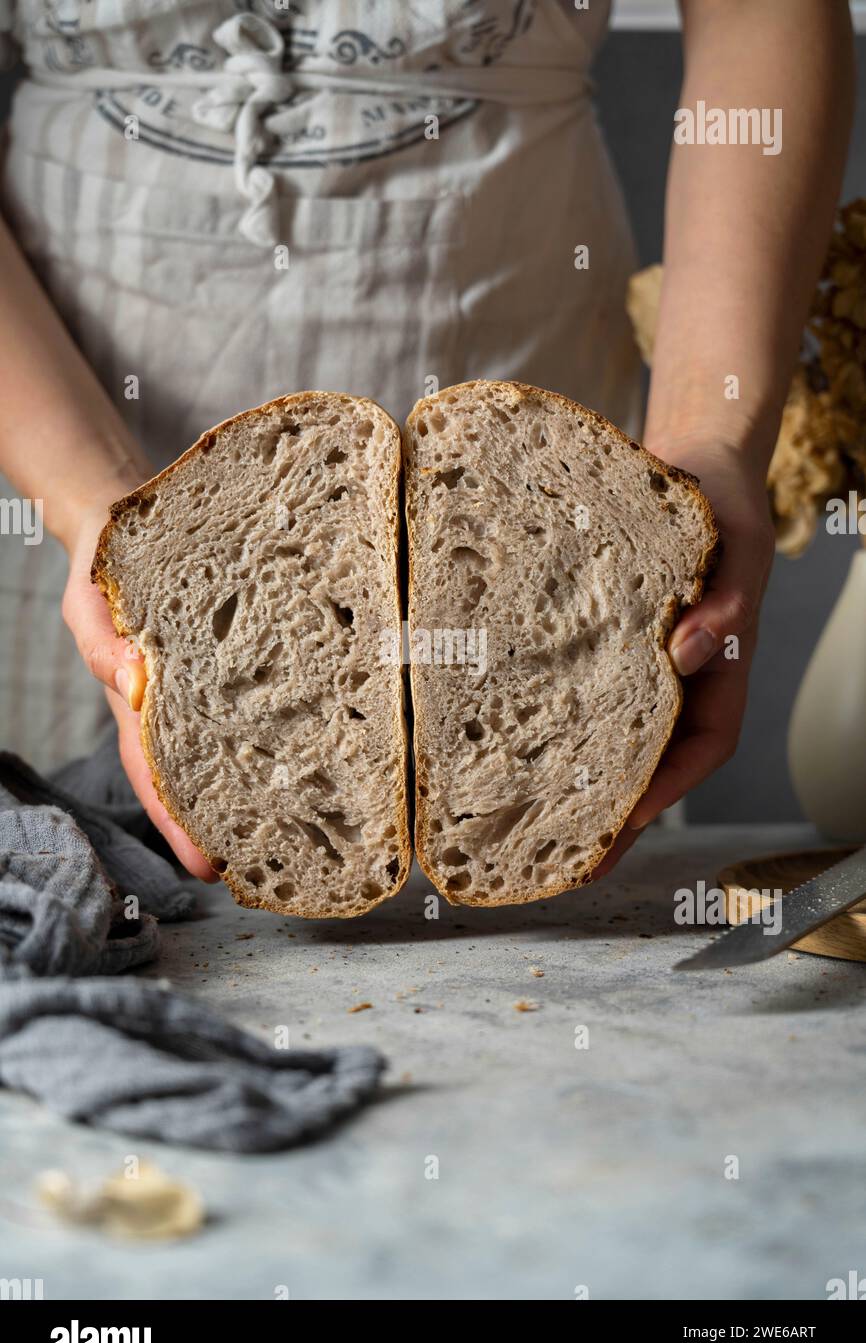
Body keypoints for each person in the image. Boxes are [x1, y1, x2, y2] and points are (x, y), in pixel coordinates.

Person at [0, 0, 855, 882]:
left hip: (530, 447)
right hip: (47, 426)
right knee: (72, 887)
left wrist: (710, 443)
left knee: (542, 911)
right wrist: (91, 511)